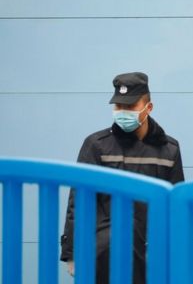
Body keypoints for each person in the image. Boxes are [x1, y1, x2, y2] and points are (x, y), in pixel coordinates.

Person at [60, 72, 185, 283]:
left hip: (150, 254)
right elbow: (79, 201)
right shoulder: (97, 145)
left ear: (149, 108)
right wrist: (71, 253)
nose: (122, 112)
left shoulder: (168, 149)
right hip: (103, 252)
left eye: (130, 106)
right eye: (118, 107)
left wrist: (176, 253)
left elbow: (175, 206)